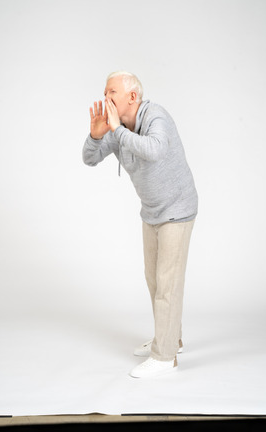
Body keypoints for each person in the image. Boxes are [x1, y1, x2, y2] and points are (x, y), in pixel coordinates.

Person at [82, 71, 198, 378]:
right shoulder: (115, 128)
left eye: (111, 93)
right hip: (151, 212)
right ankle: (171, 338)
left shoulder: (157, 116)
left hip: (177, 209)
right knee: (155, 281)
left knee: (167, 285)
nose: (105, 98)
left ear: (132, 97)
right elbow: (89, 159)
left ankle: (165, 357)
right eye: (104, 92)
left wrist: (116, 130)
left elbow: (154, 149)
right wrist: (96, 135)